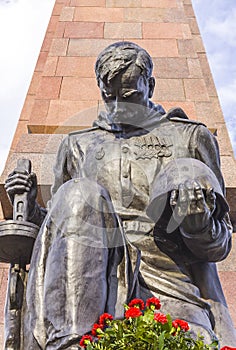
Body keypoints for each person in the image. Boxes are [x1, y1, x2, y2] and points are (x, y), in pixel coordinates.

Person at [5, 41, 236, 349]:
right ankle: (73, 342)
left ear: (150, 85)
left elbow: (219, 245)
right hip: (87, 279)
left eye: (129, 96)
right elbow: (60, 235)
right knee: (78, 193)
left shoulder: (189, 137)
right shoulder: (78, 145)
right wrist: (32, 208)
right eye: (108, 96)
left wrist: (198, 224)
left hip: (167, 278)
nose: (117, 107)